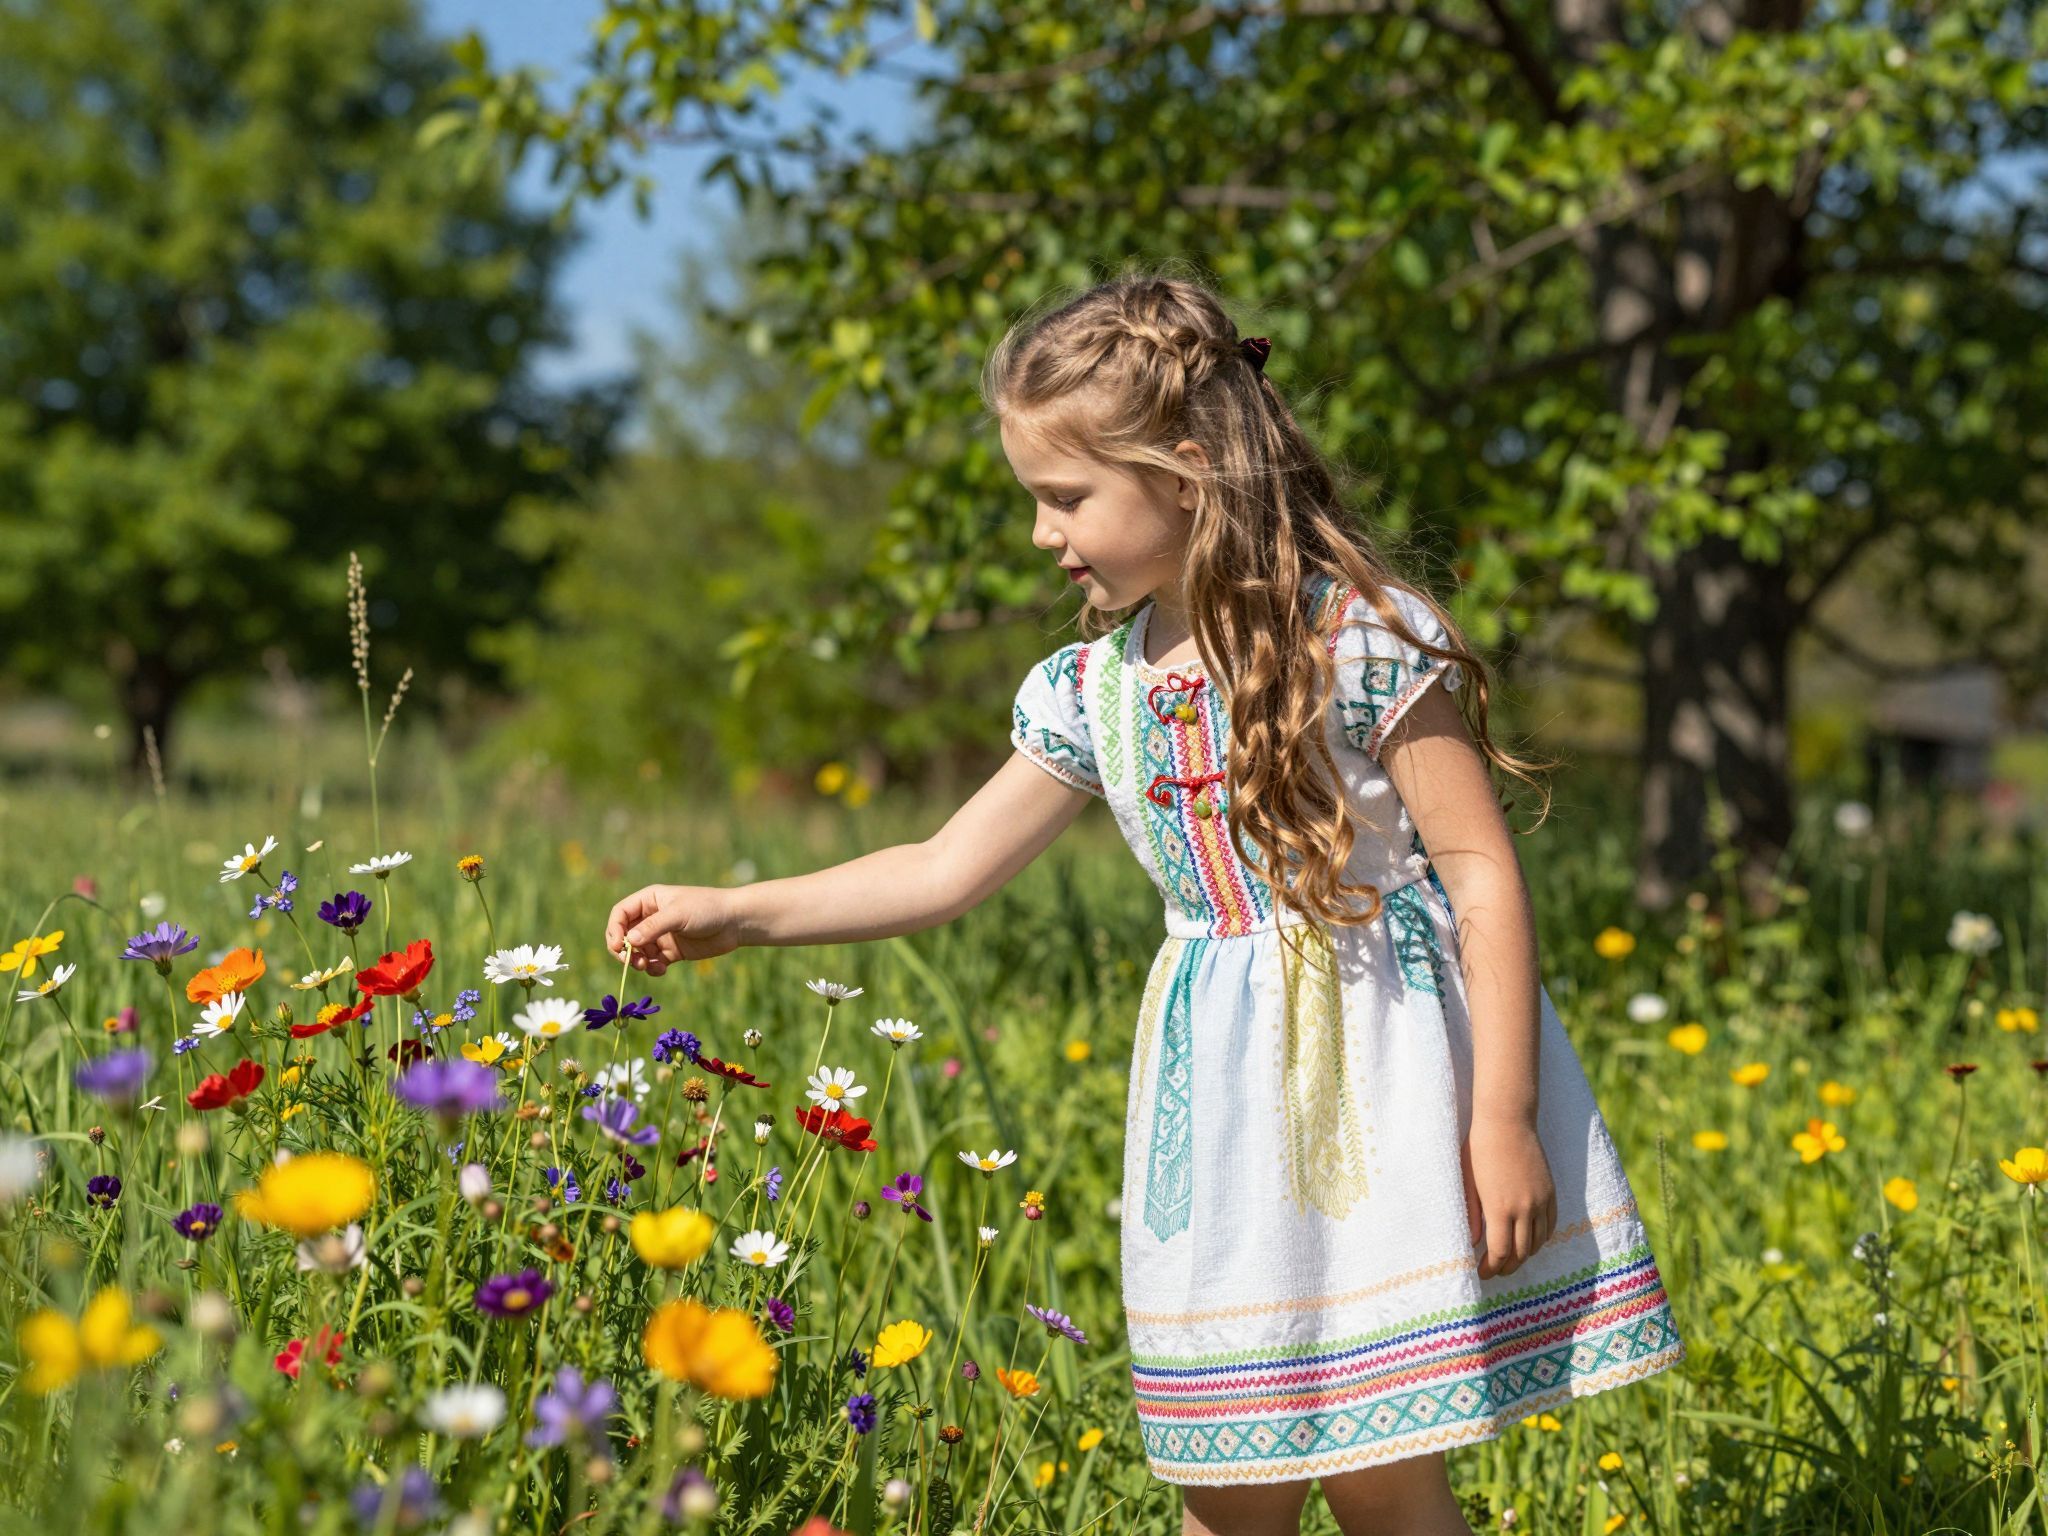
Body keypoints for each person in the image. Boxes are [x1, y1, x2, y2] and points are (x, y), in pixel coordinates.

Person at [604, 272, 1685, 1536]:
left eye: (1065, 498)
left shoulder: (1357, 640)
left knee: (1388, 1475)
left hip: (1385, 1086)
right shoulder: (1091, 688)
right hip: (1219, 1112)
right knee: (1223, 1475)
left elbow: (1481, 871)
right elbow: (943, 864)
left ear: (1184, 475)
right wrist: (741, 908)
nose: (1038, 532)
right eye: (1034, 500)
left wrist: (1500, 1118)